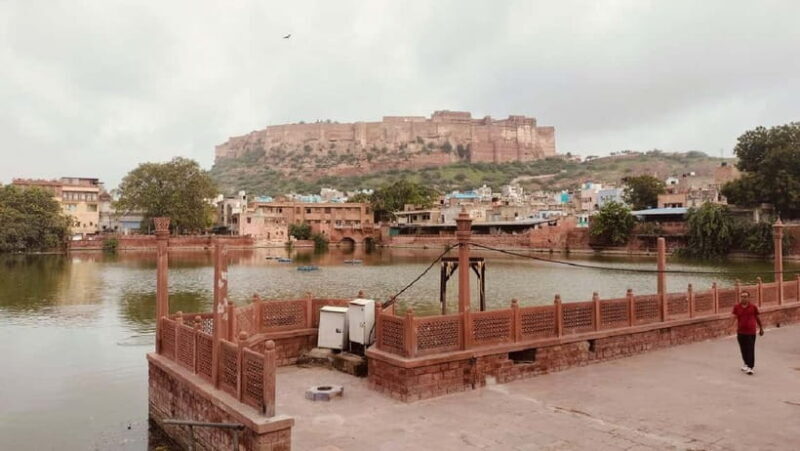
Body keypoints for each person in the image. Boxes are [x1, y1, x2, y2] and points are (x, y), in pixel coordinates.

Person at [731, 291, 764, 375]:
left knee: (750, 349)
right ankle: (746, 363)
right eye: (742, 296)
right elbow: (734, 317)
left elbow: (757, 317)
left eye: (745, 296)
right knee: (743, 349)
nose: (743, 298)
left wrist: (761, 328)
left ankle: (750, 367)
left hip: (751, 332)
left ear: (749, 298)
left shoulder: (753, 307)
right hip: (741, 332)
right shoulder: (737, 307)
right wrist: (730, 326)